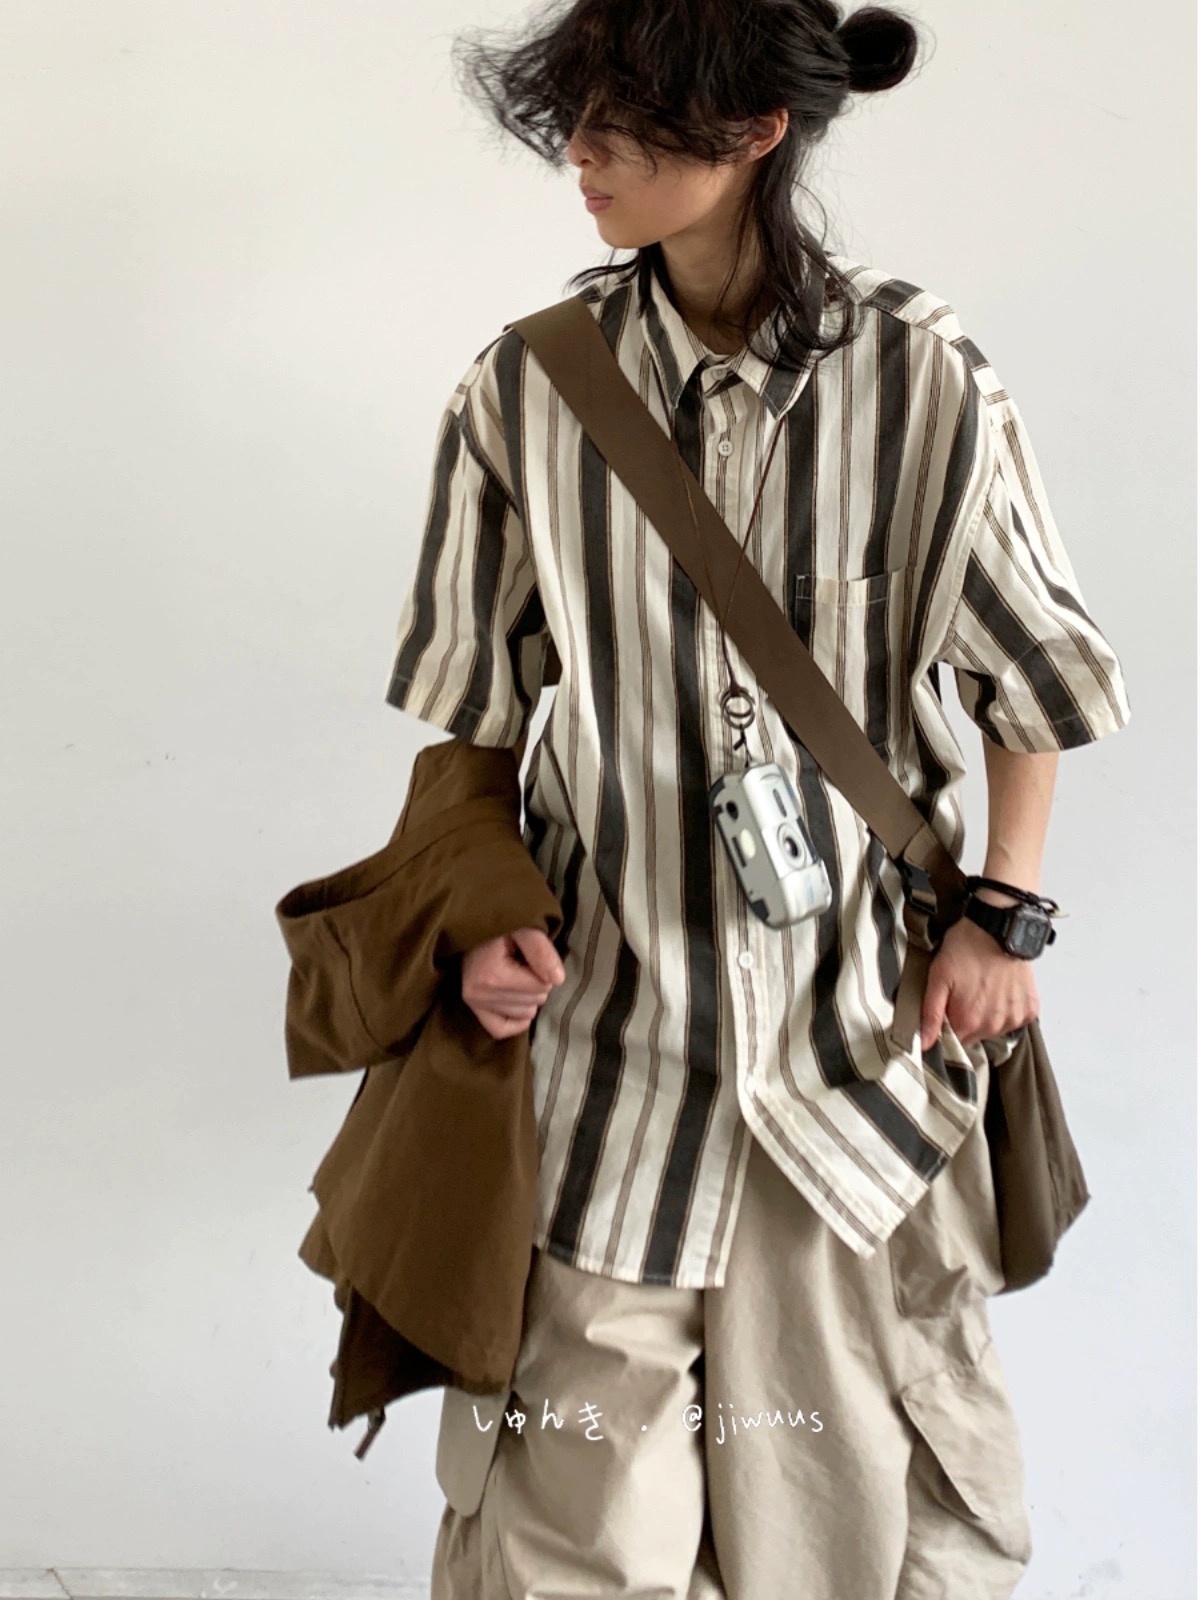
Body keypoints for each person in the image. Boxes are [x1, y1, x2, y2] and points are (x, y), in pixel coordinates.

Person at [382, 2, 1133, 1596]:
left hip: (855, 1068)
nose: (582, 154)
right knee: (572, 1537)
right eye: (573, 115)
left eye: (626, 120)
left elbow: (1039, 679)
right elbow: (473, 728)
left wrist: (1002, 913)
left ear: (755, 132)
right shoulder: (525, 391)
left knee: (848, 1534)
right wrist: (484, 918)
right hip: (609, 1064)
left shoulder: (920, 378)